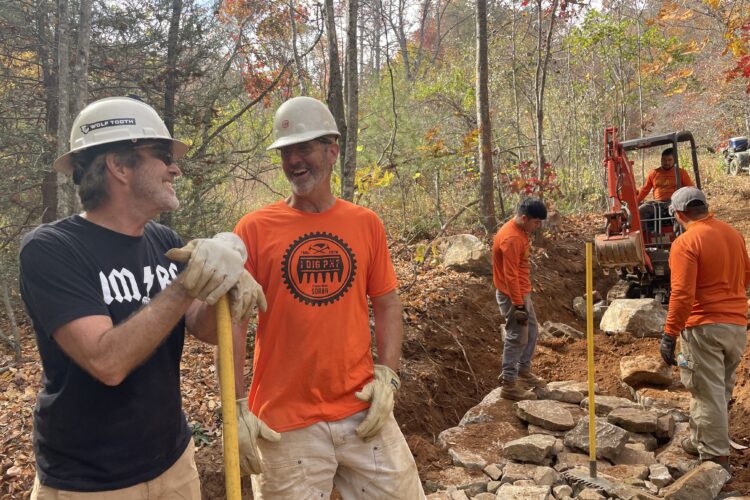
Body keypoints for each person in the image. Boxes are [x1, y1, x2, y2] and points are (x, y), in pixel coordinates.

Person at [19, 96, 265, 498]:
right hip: (90, 483)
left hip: (174, 462)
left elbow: (206, 328)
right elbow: (107, 361)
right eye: (162, 155)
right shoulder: (52, 249)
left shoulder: (162, 240)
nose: (175, 168)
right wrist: (187, 285)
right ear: (119, 165)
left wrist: (229, 277)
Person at [230, 96, 425, 499]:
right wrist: (234, 406)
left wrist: (387, 375)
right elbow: (234, 320)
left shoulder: (365, 223)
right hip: (283, 422)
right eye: (286, 152)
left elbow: (387, 303)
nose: (294, 161)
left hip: (360, 409)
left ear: (332, 151)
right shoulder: (253, 229)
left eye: (304, 148)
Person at [659, 187, 750, 474]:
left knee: (705, 392)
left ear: (678, 213)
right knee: (719, 390)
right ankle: (702, 440)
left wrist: (670, 333)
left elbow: (682, 295)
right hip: (736, 326)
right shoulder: (732, 234)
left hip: (704, 328)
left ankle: (714, 461)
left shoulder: (686, 243)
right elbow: (747, 276)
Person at [493, 197, 548, 401]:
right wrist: (518, 304)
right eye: (536, 222)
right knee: (517, 336)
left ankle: (523, 370)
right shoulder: (512, 238)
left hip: (522, 291)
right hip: (512, 295)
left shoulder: (520, 230)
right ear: (524, 218)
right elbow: (510, 276)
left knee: (532, 331)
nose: (537, 226)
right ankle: (509, 384)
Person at [637, 147, 694, 227]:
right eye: (664, 160)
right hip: (657, 203)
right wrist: (635, 202)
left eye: (669, 160)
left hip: (674, 202)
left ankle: (679, 236)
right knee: (640, 211)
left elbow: (690, 189)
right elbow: (645, 190)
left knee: (680, 213)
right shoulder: (654, 173)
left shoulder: (681, 173)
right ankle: (644, 236)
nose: (667, 162)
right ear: (661, 160)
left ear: (674, 160)